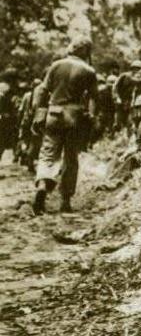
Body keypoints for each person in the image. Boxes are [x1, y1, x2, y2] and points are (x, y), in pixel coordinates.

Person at [32, 38, 97, 215]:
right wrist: (90, 116)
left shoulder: (56, 65)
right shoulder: (89, 70)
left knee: (47, 153)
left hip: (54, 113)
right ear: (85, 51)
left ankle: (43, 184)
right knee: (70, 158)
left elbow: (42, 91)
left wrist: (39, 113)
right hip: (74, 116)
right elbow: (93, 97)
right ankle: (66, 200)